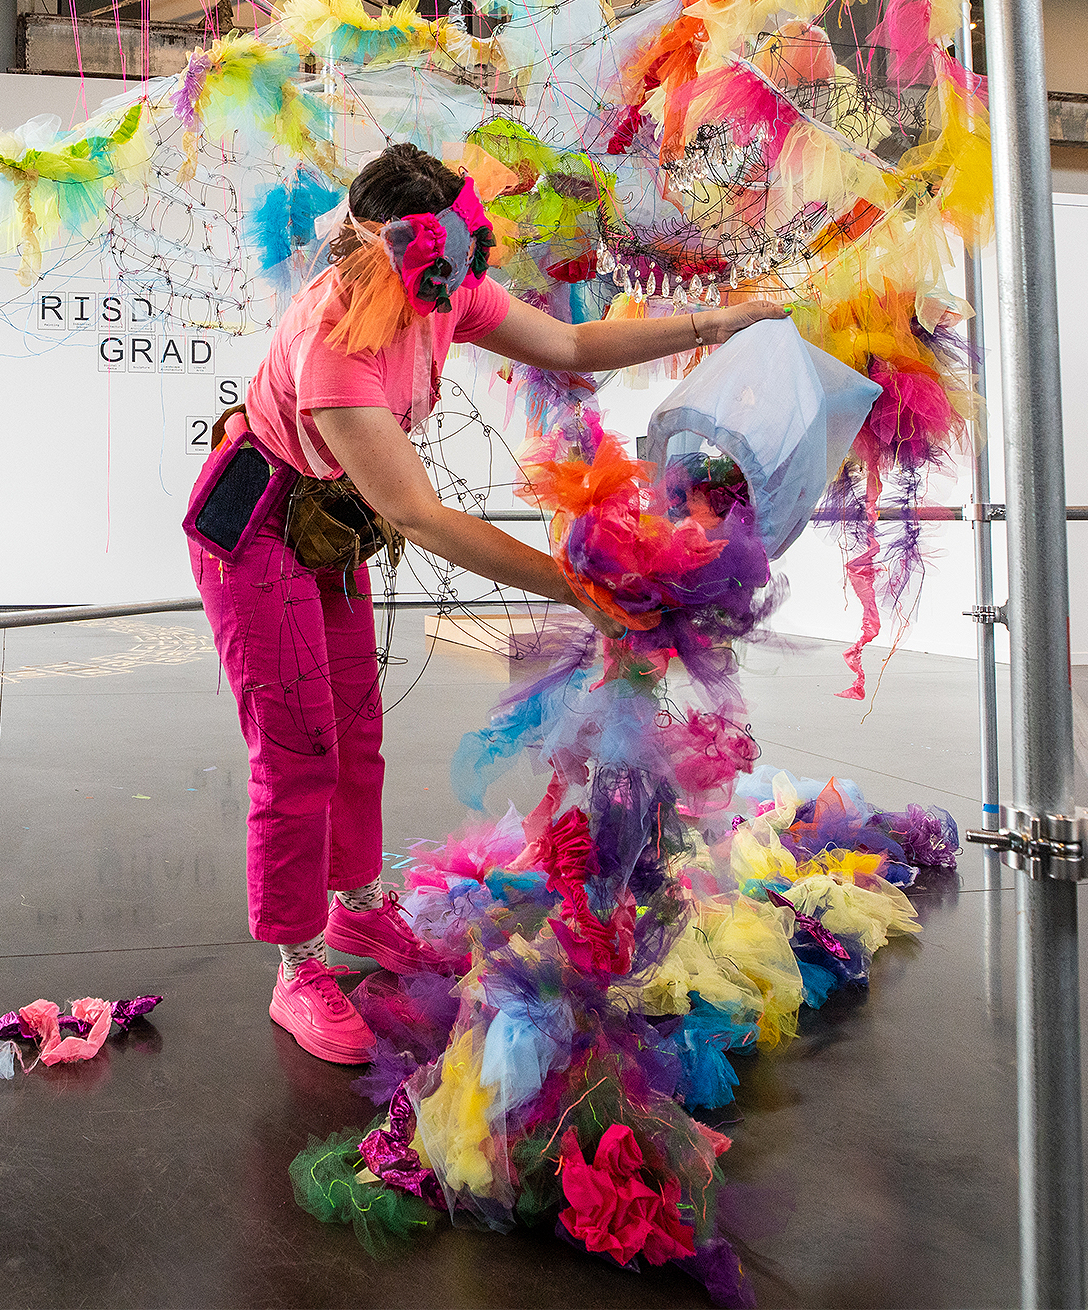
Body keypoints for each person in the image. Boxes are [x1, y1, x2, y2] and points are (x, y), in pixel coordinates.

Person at [183, 144, 787, 1064]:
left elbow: (575, 346)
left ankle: (353, 913)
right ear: (377, 248)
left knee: (355, 722)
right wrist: (579, 588)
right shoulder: (331, 341)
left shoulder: (447, 289)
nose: (450, 293)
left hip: (328, 520)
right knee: (300, 745)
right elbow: (420, 515)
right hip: (257, 524)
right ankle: (297, 963)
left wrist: (719, 321)